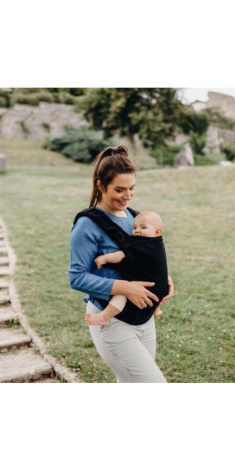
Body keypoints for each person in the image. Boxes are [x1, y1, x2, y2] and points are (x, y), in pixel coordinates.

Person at [69, 145, 174, 383]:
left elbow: (147, 257)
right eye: (119, 189)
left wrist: (164, 279)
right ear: (100, 186)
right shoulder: (87, 226)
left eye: (132, 188)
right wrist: (126, 288)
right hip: (112, 320)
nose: (127, 196)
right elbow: (76, 277)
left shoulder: (136, 218)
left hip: (144, 318)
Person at [84, 211, 167, 327]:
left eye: (143, 227)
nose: (137, 230)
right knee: (156, 295)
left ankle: (104, 317)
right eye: (134, 227)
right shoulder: (157, 243)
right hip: (161, 287)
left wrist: (105, 258)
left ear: (157, 232)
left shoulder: (141, 244)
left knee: (121, 295)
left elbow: (121, 255)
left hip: (148, 288)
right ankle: (156, 309)